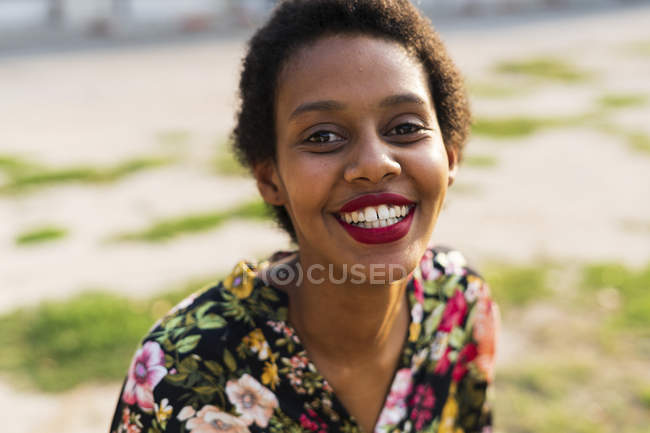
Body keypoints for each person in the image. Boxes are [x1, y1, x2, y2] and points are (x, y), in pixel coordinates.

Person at [109, 1, 500, 432]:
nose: (374, 164)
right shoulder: (183, 370)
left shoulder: (460, 304)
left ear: (449, 155)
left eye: (405, 127)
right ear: (270, 177)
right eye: (323, 136)